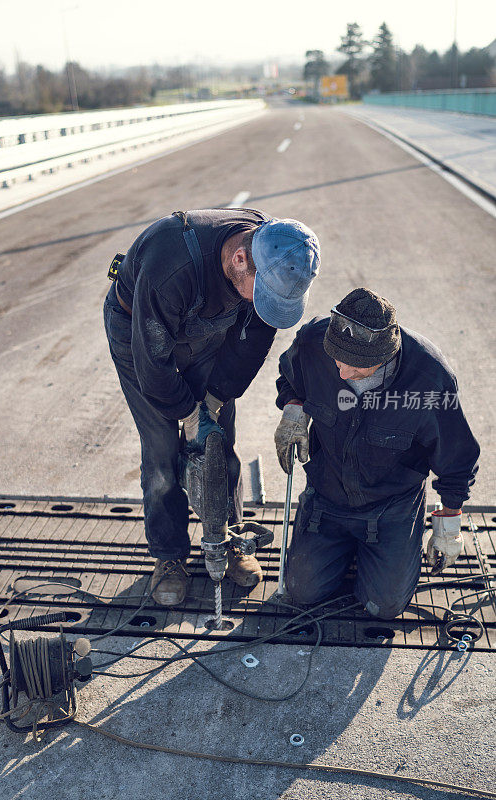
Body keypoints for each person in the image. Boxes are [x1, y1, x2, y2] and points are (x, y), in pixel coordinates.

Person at [104, 208, 320, 606]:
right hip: (141, 331)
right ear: (239, 259)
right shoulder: (171, 263)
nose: (263, 303)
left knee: (218, 443)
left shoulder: (274, 257)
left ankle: (228, 537)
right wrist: (189, 415)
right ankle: (169, 557)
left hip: (204, 332)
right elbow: (153, 365)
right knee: (162, 452)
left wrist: (216, 399)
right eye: (260, 296)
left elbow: (252, 342)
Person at [274, 287, 480, 618]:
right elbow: (291, 376)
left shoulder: (430, 378)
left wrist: (449, 523)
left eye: (355, 367)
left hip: (391, 506)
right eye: (336, 360)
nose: (341, 373)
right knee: (302, 591)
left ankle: (382, 555)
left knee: (384, 606)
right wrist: (294, 407)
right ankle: (345, 551)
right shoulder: (314, 341)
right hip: (328, 495)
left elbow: (457, 457)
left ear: (384, 356)